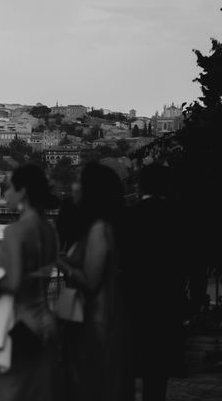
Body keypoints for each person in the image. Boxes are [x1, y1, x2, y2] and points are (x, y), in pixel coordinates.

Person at [0, 163, 59, 401]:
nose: (6, 193)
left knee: (8, 391)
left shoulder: (15, 231)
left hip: (17, 326)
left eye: (9, 187)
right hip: (45, 323)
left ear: (23, 192)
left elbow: (13, 283)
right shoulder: (49, 230)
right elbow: (26, 266)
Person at [56, 162, 133, 401]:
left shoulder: (99, 229)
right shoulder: (94, 228)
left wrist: (57, 261)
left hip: (96, 322)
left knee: (92, 385)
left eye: (78, 182)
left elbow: (90, 281)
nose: (73, 187)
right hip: (89, 317)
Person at [126, 164, 184, 401]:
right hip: (168, 298)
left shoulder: (134, 215)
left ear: (141, 185)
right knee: (159, 370)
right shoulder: (177, 214)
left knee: (138, 364)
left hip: (138, 299)